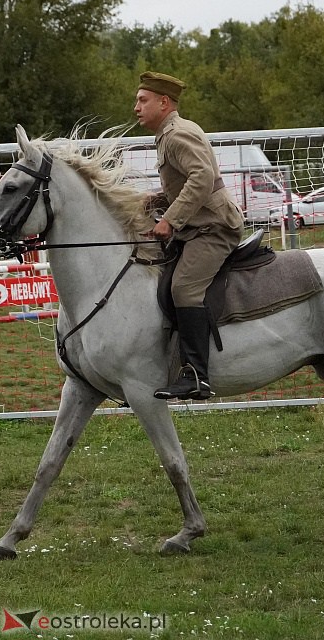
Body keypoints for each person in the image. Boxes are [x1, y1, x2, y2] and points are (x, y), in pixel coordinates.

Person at [133, 71, 244, 401]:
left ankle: (197, 375)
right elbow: (183, 184)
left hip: (215, 229)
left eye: (143, 100)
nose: (136, 107)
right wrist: (152, 201)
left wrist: (170, 219)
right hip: (197, 228)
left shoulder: (178, 134)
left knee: (184, 288)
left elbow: (202, 177)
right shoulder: (169, 134)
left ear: (163, 102)